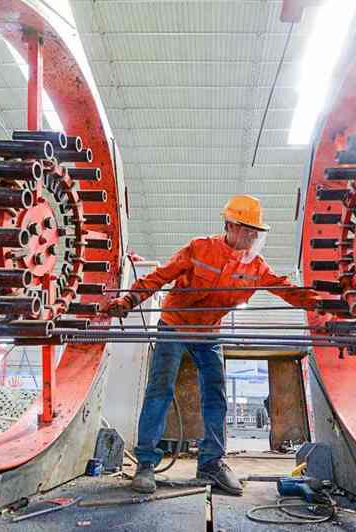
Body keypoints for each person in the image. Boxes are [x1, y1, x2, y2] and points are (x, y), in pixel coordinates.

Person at [102, 195, 326, 495]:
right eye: (248, 230)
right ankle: (145, 464)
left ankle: (211, 463)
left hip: (209, 333)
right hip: (175, 325)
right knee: (159, 390)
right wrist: (129, 300)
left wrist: (325, 302)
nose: (253, 236)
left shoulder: (256, 267)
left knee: (216, 395)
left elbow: (287, 290)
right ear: (231, 225)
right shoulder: (199, 248)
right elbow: (159, 276)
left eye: (256, 232)